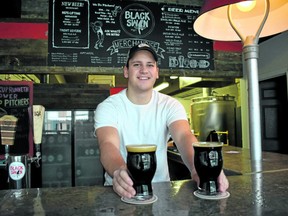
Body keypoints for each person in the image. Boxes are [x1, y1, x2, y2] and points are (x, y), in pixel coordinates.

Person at [94, 43, 229, 198]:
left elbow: (184, 136)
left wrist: (198, 166)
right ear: (126, 71)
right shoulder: (109, 107)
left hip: (161, 192)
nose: (144, 70)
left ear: (157, 72)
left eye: (150, 65)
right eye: (136, 64)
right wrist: (119, 171)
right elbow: (107, 144)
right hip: (120, 190)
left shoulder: (170, 105)